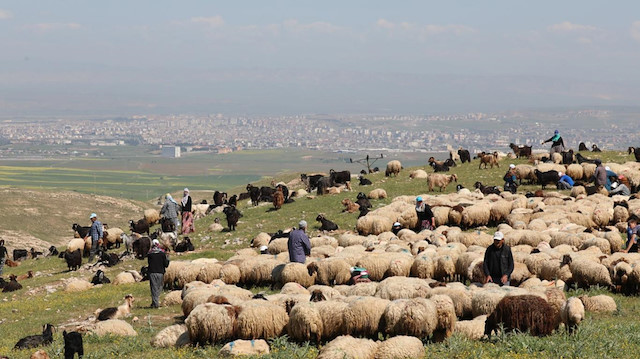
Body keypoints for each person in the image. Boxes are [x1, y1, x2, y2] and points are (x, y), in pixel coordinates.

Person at [147, 239, 169, 308]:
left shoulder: (150, 254)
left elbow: (149, 263)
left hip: (152, 273)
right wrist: (167, 258)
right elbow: (166, 264)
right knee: (159, 287)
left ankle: (155, 302)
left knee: (154, 287)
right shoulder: (162, 253)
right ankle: (156, 304)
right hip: (160, 272)